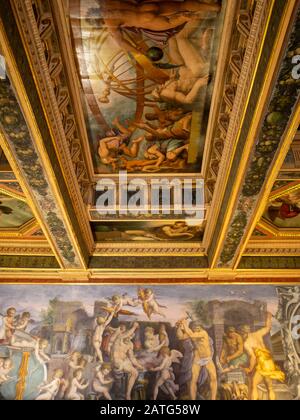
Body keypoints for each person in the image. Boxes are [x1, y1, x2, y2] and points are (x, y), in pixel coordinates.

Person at [97, 1, 221, 55]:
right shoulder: (109, 1)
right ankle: (213, 7)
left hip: (145, 20)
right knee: (183, 5)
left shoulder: (109, 21)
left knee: (172, 21)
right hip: (147, 6)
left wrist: (141, 52)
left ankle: (184, 18)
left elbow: (122, 42)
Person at [243, 313, 285, 400]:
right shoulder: (257, 334)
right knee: (269, 387)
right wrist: (269, 316)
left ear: (242, 332)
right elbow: (268, 327)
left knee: (254, 384)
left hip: (262, 363)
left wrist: (250, 369)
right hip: (269, 362)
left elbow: (253, 358)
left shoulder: (246, 343)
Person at [180, 319, 217, 400]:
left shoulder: (203, 333)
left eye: (198, 327)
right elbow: (181, 337)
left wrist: (184, 324)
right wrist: (180, 326)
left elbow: (192, 335)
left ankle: (213, 399)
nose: (196, 328)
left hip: (207, 358)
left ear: (201, 327)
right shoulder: (193, 333)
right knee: (193, 380)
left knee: (213, 378)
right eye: (194, 327)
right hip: (198, 358)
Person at [111, 322, 144, 400]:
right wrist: (134, 327)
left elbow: (132, 358)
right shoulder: (119, 339)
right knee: (121, 366)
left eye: (131, 337)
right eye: (128, 336)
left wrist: (139, 365)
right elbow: (126, 334)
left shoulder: (130, 344)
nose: (129, 338)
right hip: (116, 361)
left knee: (135, 372)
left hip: (124, 361)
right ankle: (121, 394)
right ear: (126, 334)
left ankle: (128, 394)